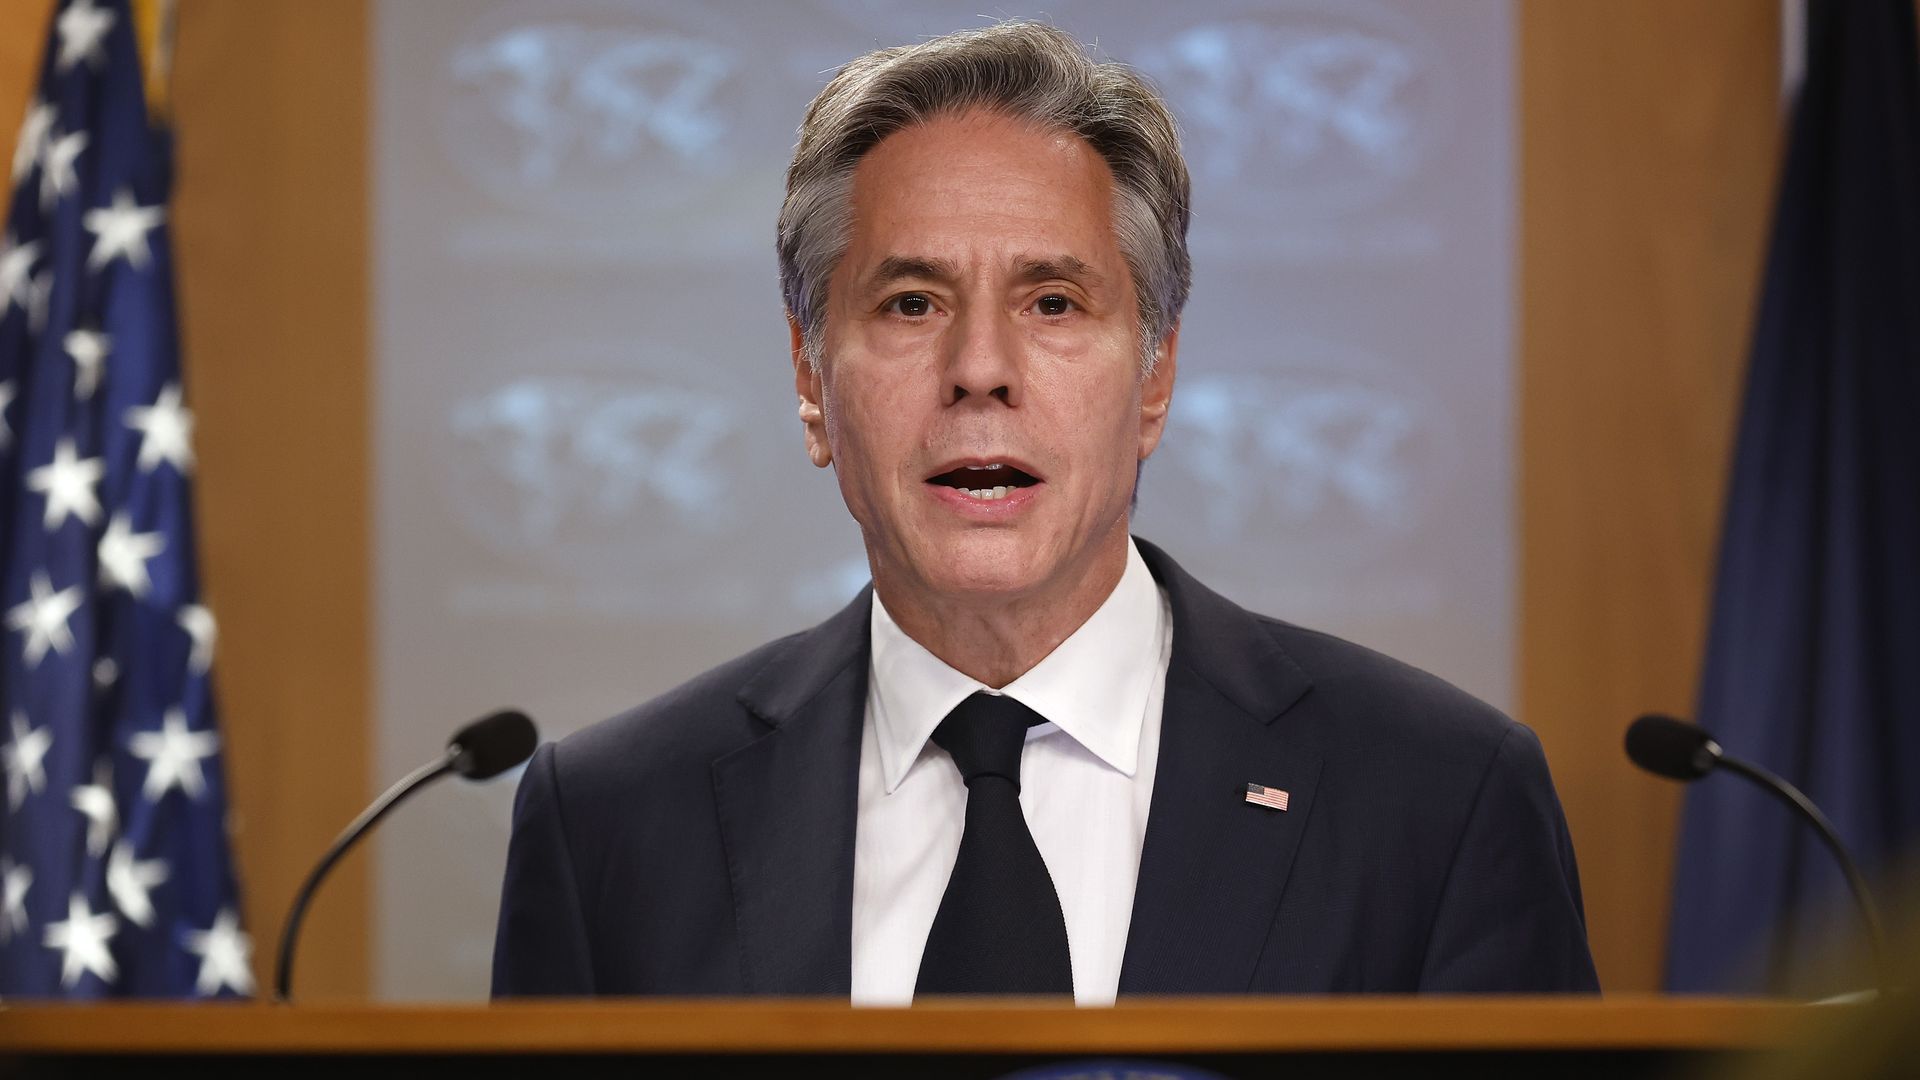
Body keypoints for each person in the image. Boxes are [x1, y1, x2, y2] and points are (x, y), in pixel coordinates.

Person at [492, 21, 1599, 1002]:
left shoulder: (1440, 799)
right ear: (812, 380)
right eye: (912, 302)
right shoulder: (612, 825)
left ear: (1155, 377)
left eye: (1054, 302)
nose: (981, 368)